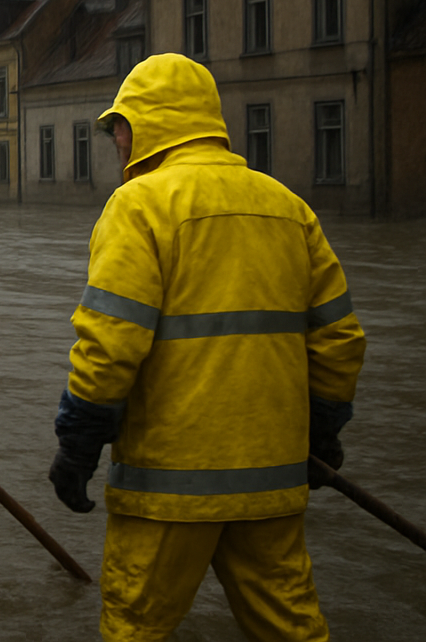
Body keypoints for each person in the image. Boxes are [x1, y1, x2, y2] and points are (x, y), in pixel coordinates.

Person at [48, 53, 366, 640]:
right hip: (270, 482)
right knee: (292, 628)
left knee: (136, 628)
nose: (115, 140)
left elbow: (111, 343)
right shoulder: (289, 207)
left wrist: (78, 442)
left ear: (147, 126)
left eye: (120, 126)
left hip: (168, 489)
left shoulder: (140, 205)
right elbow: (340, 338)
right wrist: (321, 430)